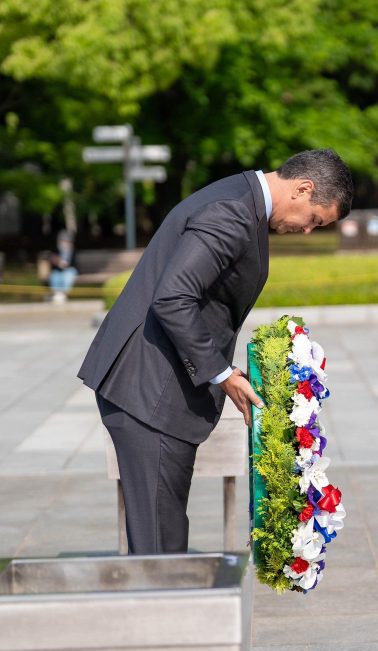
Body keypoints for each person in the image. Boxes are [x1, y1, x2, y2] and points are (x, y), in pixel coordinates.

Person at [78, 149, 353, 554]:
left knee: (164, 539)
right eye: (315, 219)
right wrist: (221, 374)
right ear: (303, 188)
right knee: (159, 549)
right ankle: (159, 598)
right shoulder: (234, 212)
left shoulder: (241, 200)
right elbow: (174, 298)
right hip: (150, 390)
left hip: (155, 386)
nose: (308, 231)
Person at [48, 229, 78, 303]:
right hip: (58, 270)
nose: (64, 243)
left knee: (68, 275)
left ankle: (64, 293)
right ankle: (57, 293)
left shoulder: (73, 251)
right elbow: (52, 264)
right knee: (55, 275)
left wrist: (66, 265)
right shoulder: (55, 250)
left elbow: (74, 264)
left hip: (69, 270)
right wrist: (58, 263)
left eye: (66, 241)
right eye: (62, 240)